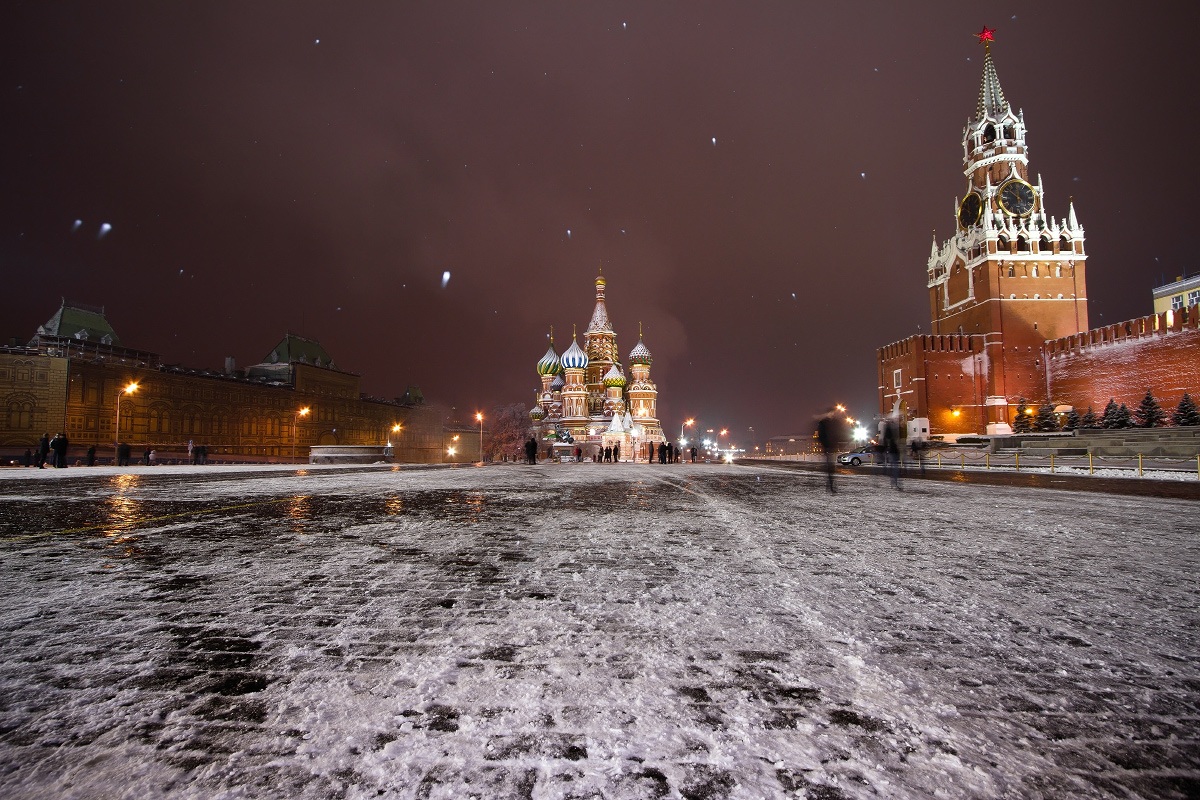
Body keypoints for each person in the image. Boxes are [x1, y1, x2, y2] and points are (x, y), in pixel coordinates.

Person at [816, 407, 837, 494]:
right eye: (831, 413)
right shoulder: (823, 423)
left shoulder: (834, 422)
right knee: (830, 468)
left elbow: (837, 434)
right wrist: (825, 445)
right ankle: (830, 487)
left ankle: (830, 486)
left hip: (832, 448)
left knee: (831, 468)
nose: (833, 414)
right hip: (828, 448)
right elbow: (821, 436)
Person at [880, 414, 901, 489]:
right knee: (895, 468)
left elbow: (885, 440)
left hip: (892, 451)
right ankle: (895, 483)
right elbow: (890, 440)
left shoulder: (889, 428)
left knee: (894, 467)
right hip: (893, 450)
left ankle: (894, 483)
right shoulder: (892, 429)